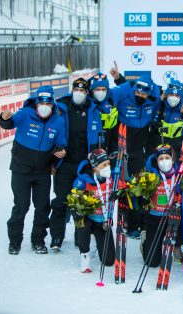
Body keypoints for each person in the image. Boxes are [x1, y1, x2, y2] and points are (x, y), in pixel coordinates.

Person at [0, 85, 67, 254]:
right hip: (21, 170)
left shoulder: (58, 121)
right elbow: (9, 124)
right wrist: (4, 118)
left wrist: (60, 151)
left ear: (53, 104)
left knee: (42, 207)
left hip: (42, 171)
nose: (44, 107)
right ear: (36, 104)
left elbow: (61, 142)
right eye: (40, 103)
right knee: (21, 206)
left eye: (48, 104)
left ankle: (38, 240)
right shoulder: (24, 114)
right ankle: (14, 241)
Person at [49, 78, 105, 251]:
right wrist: (53, 159)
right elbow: (50, 136)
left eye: (82, 91)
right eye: (76, 90)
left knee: (84, 202)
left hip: (85, 165)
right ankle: (57, 237)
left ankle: (79, 237)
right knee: (61, 201)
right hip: (64, 164)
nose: (78, 93)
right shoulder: (60, 108)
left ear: (87, 93)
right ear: (72, 90)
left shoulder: (94, 108)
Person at [111, 75, 163, 239]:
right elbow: (110, 93)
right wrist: (120, 79)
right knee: (119, 185)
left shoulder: (153, 101)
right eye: (138, 93)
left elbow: (167, 94)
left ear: (149, 95)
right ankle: (115, 221)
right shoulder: (124, 98)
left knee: (138, 187)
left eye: (144, 95)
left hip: (139, 149)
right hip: (120, 145)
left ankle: (135, 225)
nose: (140, 96)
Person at [72, 149, 121, 272]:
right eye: (104, 165)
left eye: (108, 164)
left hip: (102, 221)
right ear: (94, 167)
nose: (107, 167)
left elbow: (126, 186)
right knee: (82, 222)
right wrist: (75, 211)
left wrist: (120, 193)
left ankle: (95, 241)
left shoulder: (113, 178)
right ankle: (85, 255)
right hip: (88, 218)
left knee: (109, 261)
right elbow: (73, 201)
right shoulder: (83, 180)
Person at [141, 144, 182, 267]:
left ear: (173, 159)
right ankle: (146, 241)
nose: (164, 161)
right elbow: (140, 198)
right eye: (161, 158)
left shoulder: (180, 174)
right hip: (156, 218)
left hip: (175, 218)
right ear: (156, 160)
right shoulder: (149, 175)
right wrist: (143, 198)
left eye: (167, 157)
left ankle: (177, 245)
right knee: (152, 263)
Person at [150, 80, 183, 162]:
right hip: (155, 141)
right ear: (166, 94)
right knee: (151, 167)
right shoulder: (158, 103)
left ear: (181, 97)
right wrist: (159, 98)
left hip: (175, 145)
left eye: (177, 95)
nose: (174, 97)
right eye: (171, 94)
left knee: (174, 168)